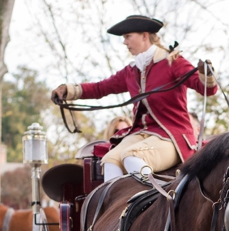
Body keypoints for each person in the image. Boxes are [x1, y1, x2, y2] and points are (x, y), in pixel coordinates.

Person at [52, 15, 218, 181]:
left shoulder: (173, 61)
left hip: (172, 137)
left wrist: (207, 75)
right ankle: (117, 206)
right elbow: (100, 88)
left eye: (127, 37)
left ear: (144, 36)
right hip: (143, 134)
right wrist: (69, 91)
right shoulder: (130, 71)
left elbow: (207, 89)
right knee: (110, 160)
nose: (124, 42)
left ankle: (156, 203)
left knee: (132, 156)